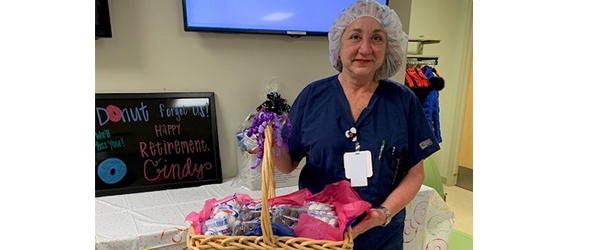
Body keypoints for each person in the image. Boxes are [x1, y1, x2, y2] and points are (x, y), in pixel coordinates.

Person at [273, 0, 440, 249]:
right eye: (354, 36)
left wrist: (383, 212)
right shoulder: (312, 96)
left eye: (377, 39)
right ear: (339, 46)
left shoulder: (403, 101)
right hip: (318, 236)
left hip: (381, 238)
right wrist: (267, 143)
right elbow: (287, 165)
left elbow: (415, 174)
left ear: (388, 48)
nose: (365, 48)